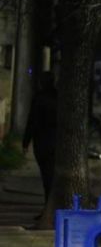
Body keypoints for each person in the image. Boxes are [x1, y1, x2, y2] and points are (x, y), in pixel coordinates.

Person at [23, 71, 58, 203]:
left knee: (46, 175)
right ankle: (50, 204)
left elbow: (32, 121)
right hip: (56, 141)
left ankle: (48, 204)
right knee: (52, 174)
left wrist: (26, 142)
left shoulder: (39, 98)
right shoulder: (59, 97)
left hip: (42, 141)